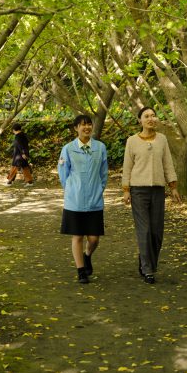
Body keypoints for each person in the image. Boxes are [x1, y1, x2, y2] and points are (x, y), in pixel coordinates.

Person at [122, 107, 181, 284]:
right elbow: (127, 167)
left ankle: (145, 260)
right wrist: (126, 190)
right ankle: (148, 269)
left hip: (157, 190)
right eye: (146, 116)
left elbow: (168, 163)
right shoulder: (132, 141)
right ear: (140, 120)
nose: (151, 118)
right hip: (138, 190)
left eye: (153, 115)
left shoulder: (162, 140)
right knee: (144, 230)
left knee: (156, 231)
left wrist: (173, 186)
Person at [58, 114, 109, 284]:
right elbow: (63, 174)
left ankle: (87, 256)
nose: (86, 127)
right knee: (77, 236)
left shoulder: (100, 147)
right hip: (75, 201)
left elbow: (103, 173)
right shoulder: (68, 148)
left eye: (89, 124)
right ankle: (81, 270)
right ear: (76, 128)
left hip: (95, 200)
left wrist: (99, 189)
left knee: (94, 238)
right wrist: (72, 189)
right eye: (82, 125)